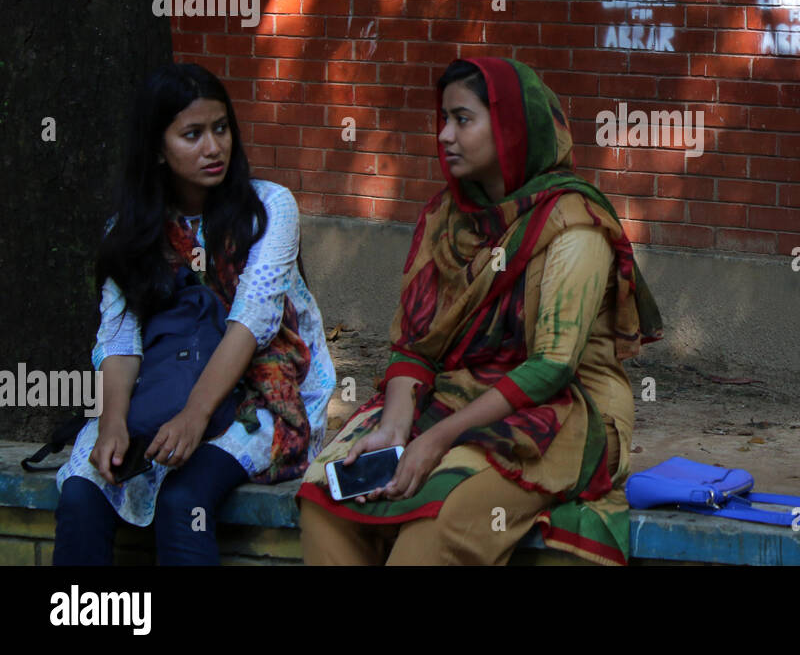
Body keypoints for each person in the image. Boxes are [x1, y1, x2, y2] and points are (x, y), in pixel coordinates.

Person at [296, 57, 663, 566]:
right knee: (327, 499)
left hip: (565, 411)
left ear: (512, 126)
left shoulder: (572, 223)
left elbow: (552, 367)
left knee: (436, 524)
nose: (445, 135)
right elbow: (415, 347)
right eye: (443, 119)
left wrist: (439, 440)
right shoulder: (447, 219)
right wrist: (396, 428)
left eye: (462, 119)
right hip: (453, 395)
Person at [53, 63, 336, 565]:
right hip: (162, 391)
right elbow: (120, 337)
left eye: (221, 129)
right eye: (193, 134)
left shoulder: (269, 208)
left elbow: (251, 321)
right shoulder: (132, 230)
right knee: (81, 494)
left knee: (185, 501)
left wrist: (194, 416)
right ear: (157, 149)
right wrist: (113, 422)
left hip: (263, 394)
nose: (214, 147)